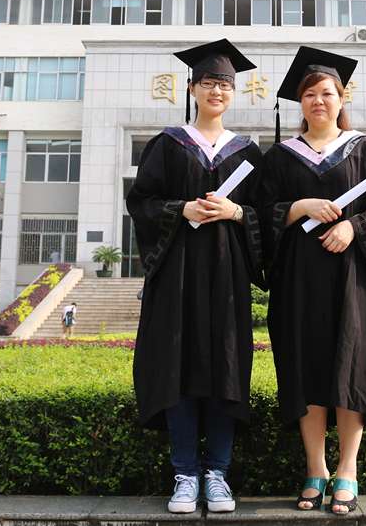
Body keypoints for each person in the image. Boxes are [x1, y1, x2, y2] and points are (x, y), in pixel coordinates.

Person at [125, 39, 264, 514]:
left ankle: (218, 474)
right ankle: (185, 473)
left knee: (225, 367)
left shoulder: (248, 152)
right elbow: (140, 203)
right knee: (177, 368)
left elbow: (265, 215)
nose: (217, 90)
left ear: (233, 92)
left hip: (226, 278)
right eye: (208, 82)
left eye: (224, 83)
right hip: (177, 276)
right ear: (192, 88)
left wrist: (237, 211)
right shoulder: (167, 144)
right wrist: (180, 207)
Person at [261, 46, 366, 515]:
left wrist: (352, 227)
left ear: (341, 98)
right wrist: (298, 208)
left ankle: (348, 471)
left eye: (326, 93)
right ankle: (315, 468)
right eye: (309, 94)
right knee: (305, 369)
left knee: (349, 369)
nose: (318, 101)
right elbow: (258, 216)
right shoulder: (279, 158)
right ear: (300, 103)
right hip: (297, 278)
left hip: (349, 278)